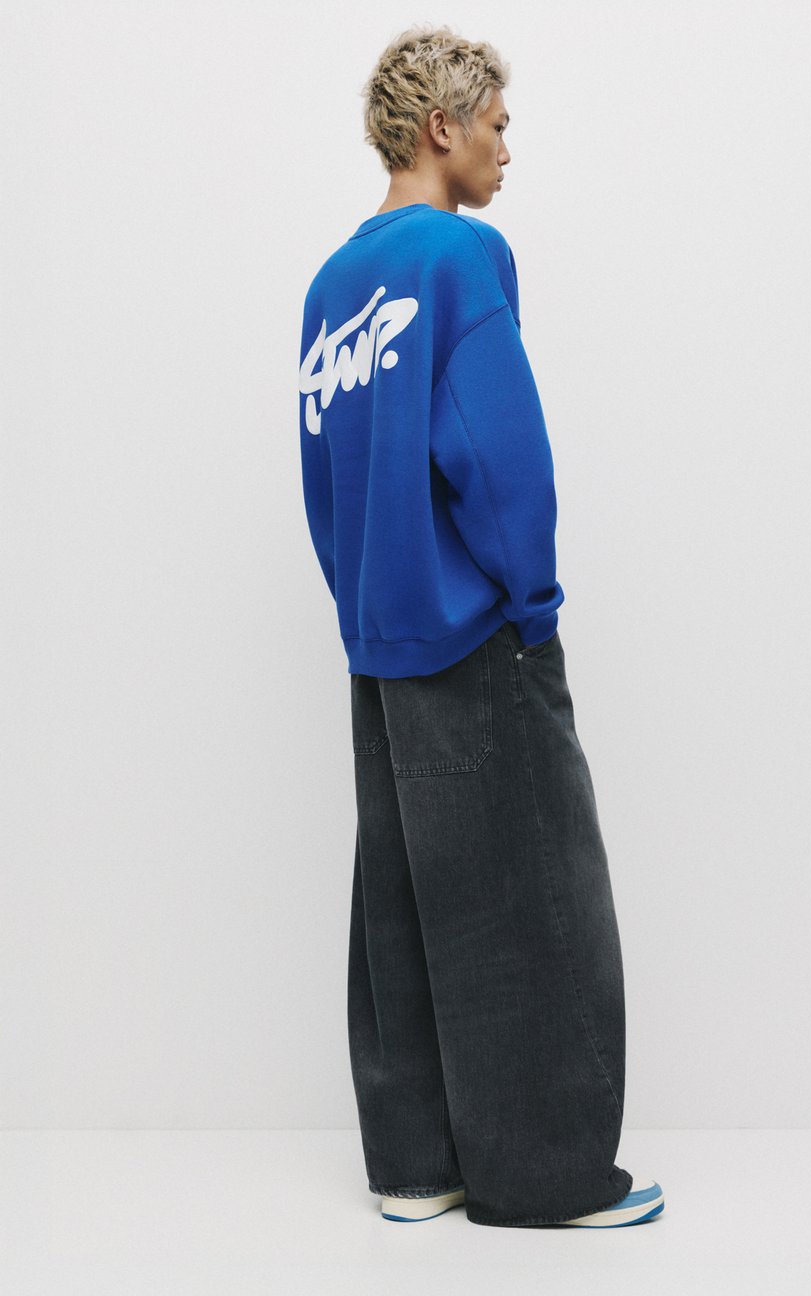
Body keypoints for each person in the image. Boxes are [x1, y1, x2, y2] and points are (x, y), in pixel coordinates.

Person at [297, 23, 664, 1229]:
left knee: (403, 898)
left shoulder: (332, 287)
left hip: (380, 640)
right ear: (440, 128)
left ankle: (417, 1169)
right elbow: (501, 456)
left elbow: (325, 476)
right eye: (497, 126)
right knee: (534, 896)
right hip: (472, 631)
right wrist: (532, 607)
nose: (508, 149)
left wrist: (366, 605)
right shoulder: (460, 255)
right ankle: (546, 1179)